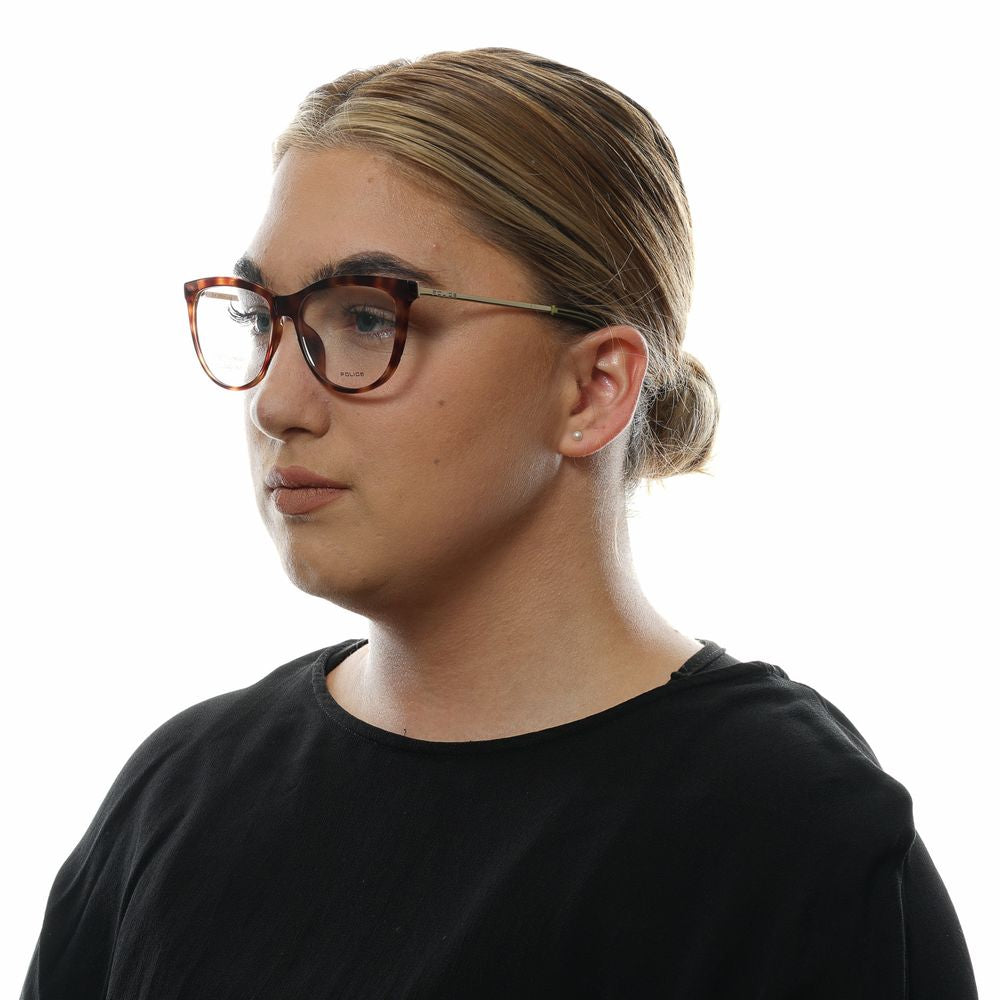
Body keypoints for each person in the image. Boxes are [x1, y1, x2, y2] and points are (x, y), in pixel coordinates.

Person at [21, 47, 978, 999]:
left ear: (593, 389)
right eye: (261, 319)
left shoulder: (784, 836)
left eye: (364, 317)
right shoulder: (181, 796)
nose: (275, 401)